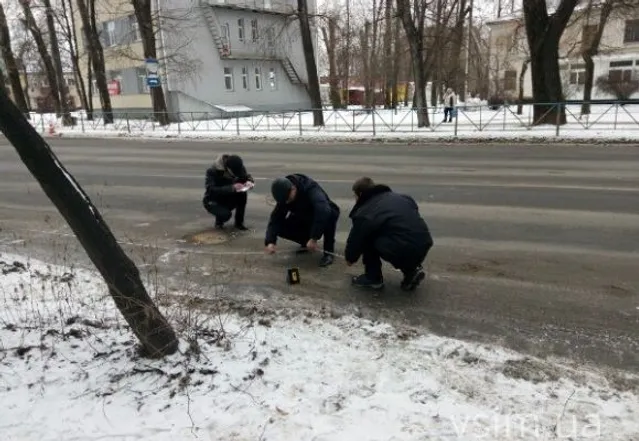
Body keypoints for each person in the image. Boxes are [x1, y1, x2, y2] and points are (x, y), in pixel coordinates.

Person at [344, 177, 433, 291]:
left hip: (403, 247)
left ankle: (373, 278)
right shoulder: (403, 197)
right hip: (424, 242)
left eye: (354, 196)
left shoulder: (365, 211)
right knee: (394, 234)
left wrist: (350, 258)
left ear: (360, 194)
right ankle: (412, 271)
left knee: (369, 237)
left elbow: (356, 238)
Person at [264, 174, 340, 267]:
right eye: (285, 201)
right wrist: (270, 241)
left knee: (329, 214)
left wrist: (314, 238)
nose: (287, 202)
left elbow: (323, 210)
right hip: (304, 215)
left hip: (324, 213)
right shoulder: (284, 195)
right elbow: (275, 219)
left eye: (288, 199)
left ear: (293, 189)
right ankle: (305, 242)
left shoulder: (310, 188)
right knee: (279, 227)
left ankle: (329, 253)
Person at [202, 154, 254, 230]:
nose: (236, 176)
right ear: (228, 168)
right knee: (225, 215)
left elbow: (247, 177)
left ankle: (239, 223)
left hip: (229, 196)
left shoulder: (239, 167)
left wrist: (250, 182)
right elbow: (211, 189)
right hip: (212, 200)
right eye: (234, 174)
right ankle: (219, 222)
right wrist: (232, 187)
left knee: (243, 194)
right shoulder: (213, 171)